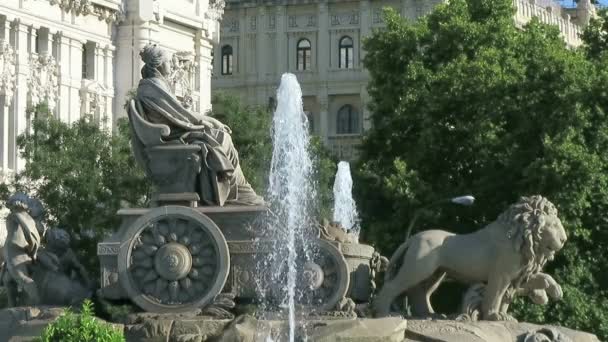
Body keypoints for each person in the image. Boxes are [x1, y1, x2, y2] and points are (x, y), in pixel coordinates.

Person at [135, 43, 264, 206]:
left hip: (174, 135)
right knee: (223, 139)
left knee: (221, 139)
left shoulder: (152, 86)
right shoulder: (153, 87)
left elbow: (178, 114)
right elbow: (181, 115)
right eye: (168, 61)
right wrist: (210, 121)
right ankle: (241, 192)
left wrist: (209, 121)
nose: (171, 64)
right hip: (173, 138)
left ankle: (240, 189)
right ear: (159, 64)